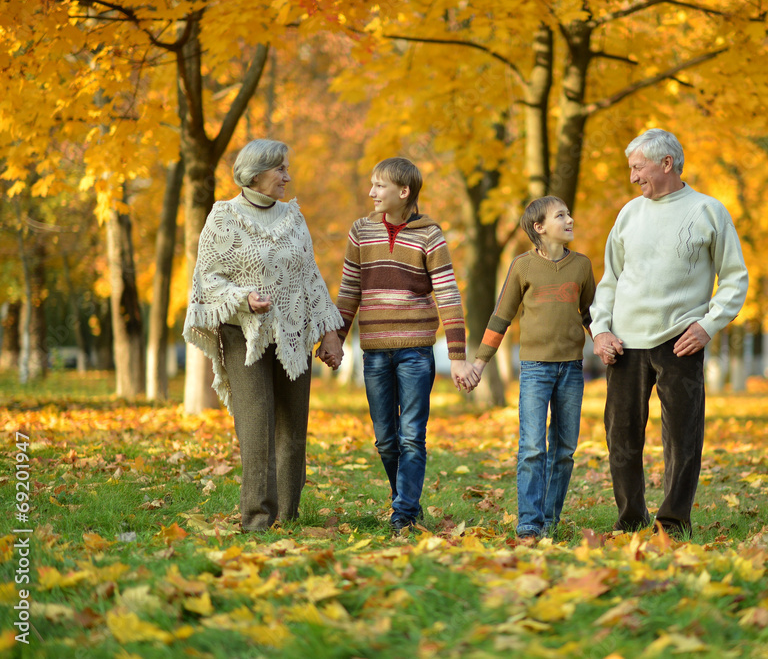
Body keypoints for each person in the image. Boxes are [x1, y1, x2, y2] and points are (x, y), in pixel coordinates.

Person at [590, 128, 749, 537]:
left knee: (682, 439)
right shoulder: (628, 214)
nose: (632, 177)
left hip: (680, 341)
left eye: (637, 167)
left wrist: (708, 324)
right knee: (621, 437)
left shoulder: (709, 211)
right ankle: (630, 518)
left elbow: (734, 279)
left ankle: (673, 523)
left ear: (666, 163)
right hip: (625, 345)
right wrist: (601, 330)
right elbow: (610, 279)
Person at [184, 139, 345, 533]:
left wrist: (330, 332)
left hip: (293, 331)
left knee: (293, 428)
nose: (287, 177)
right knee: (257, 426)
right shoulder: (223, 217)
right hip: (243, 334)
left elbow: (310, 277)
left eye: (287, 170)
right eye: (281, 171)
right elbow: (208, 279)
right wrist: (242, 298)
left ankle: (287, 517)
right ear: (256, 174)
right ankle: (257, 519)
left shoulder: (293, 217)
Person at [335, 157, 474, 533]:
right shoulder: (360, 231)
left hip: (416, 351)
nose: (371, 193)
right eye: (371, 185)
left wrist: (457, 357)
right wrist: (336, 339)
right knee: (385, 438)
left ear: (403, 191)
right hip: (375, 350)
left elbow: (448, 294)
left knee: (412, 435)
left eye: (379, 186)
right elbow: (349, 290)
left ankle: (404, 513)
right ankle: (406, 501)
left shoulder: (430, 234)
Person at [467, 196, 595, 539]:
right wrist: (479, 363)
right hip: (536, 369)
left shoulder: (582, 266)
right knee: (533, 448)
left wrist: (604, 340)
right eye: (560, 216)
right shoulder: (522, 266)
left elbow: (590, 314)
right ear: (539, 228)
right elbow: (502, 316)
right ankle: (529, 520)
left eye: (569, 213)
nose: (569, 219)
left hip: (571, 369)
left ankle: (550, 518)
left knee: (565, 449)